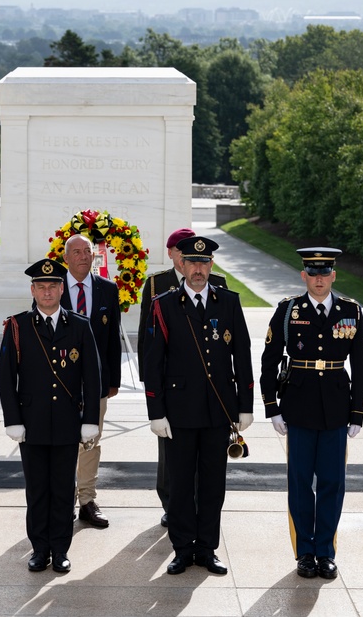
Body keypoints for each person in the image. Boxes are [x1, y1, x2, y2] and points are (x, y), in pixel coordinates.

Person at [143, 235, 253, 576]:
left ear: (211, 266)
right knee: (178, 484)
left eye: (204, 263)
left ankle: (206, 548)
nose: (198, 269)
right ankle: (182, 548)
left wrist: (245, 406)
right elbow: (152, 363)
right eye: (192, 262)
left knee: (212, 484)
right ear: (182, 264)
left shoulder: (228, 302)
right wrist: (156, 411)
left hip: (218, 411)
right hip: (178, 412)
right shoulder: (163, 304)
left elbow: (243, 356)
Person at [259, 247, 363, 581]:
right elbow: (269, 359)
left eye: (325, 273)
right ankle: (304, 552)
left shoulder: (351, 311)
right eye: (313, 273)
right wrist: (272, 406)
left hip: (335, 408)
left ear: (334, 276)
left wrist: (357, 412)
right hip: (299, 408)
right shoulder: (289, 310)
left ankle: (326, 552)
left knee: (333, 483)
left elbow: (360, 367)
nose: (319, 280)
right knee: (301, 482)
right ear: (303, 275)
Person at [0, 259, 101, 573]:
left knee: (62, 489)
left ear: (60, 289)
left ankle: (60, 549)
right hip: (32, 423)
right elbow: (5, 376)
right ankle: (39, 549)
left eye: (52, 286)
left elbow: (92, 378)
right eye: (41, 287)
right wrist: (13, 419)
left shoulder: (80, 326)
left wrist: (90, 421)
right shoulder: (17, 327)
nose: (47, 292)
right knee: (37, 490)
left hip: (68, 423)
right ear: (33, 290)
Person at [137, 228, 226, 527]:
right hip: (171, 385)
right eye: (178, 251)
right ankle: (170, 502)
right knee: (171, 454)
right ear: (174, 254)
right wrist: (150, 385)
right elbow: (147, 341)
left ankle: (198, 504)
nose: (183, 257)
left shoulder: (218, 284)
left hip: (208, 387)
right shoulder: (155, 285)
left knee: (205, 458)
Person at [60, 233, 121, 529]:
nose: (85, 257)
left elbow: (113, 341)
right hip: (63, 382)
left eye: (88, 251)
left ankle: (87, 500)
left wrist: (114, 381)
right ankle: (63, 499)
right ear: (66, 257)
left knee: (91, 441)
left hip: (96, 382)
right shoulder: (53, 287)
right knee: (63, 442)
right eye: (78, 252)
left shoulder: (108, 289)